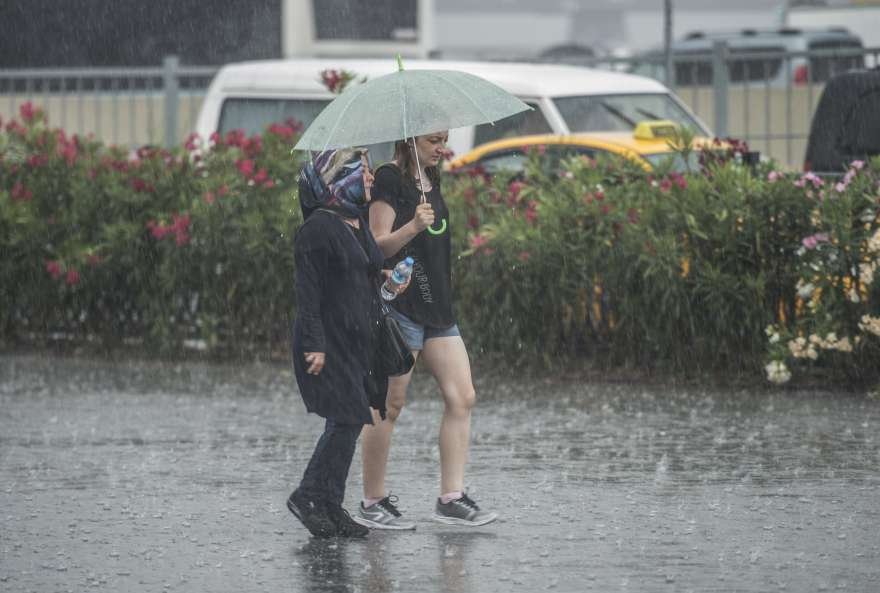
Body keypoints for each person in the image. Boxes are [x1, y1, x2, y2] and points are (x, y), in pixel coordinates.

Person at [356, 132, 498, 529]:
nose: (442, 147)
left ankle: (451, 497)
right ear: (411, 137)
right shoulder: (388, 179)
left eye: (445, 140)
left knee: (462, 396)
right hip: (399, 307)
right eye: (435, 140)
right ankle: (373, 500)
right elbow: (376, 246)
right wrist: (413, 227)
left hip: (438, 309)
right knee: (389, 405)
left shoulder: (434, 179)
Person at [288, 147, 404, 538]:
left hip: (357, 342)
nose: (370, 178)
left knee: (349, 421)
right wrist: (313, 346)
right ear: (340, 178)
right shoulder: (317, 230)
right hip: (328, 343)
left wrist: (387, 278)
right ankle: (308, 495)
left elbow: (365, 274)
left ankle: (329, 503)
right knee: (348, 418)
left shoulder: (355, 223)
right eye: (363, 171)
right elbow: (309, 297)